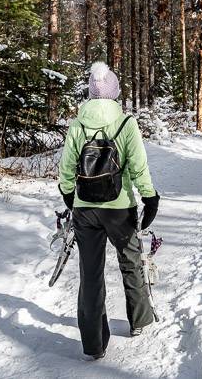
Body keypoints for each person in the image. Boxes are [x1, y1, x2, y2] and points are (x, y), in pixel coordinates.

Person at [58, 61, 160, 360]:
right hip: (119, 208)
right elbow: (139, 167)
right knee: (130, 261)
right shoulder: (127, 123)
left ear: (91, 93)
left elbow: (66, 167)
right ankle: (139, 321)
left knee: (90, 274)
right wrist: (149, 197)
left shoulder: (77, 124)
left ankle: (94, 344)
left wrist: (69, 195)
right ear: (114, 92)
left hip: (85, 208)